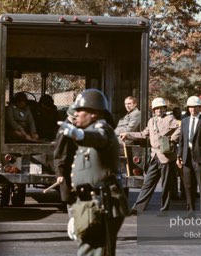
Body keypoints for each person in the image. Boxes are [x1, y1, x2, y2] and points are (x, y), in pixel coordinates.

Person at [60, 88, 129, 256]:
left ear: (94, 114)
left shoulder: (101, 129)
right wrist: (75, 213)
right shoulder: (85, 139)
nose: (76, 115)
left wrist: (79, 134)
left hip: (101, 205)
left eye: (80, 110)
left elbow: (98, 138)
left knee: (95, 252)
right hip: (89, 205)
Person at [120, 97, 180, 214]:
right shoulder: (151, 121)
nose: (158, 110)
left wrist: (171, 140)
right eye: (156, 108)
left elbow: (180, 129)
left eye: (160, 108)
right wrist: (128, 134)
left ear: (164, 108)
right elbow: (143, 134)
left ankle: (164, 210)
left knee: (166, 185)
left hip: (166, 157)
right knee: (147, 183)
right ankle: (138, 209)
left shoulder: (169, 118)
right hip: (154, 156)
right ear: (153, 110)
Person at [176, 96, 201, 218]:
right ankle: (191, 211)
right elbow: (181, 140)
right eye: (190, 107)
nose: (193, 109)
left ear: (199, 107)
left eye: (195, 107)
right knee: (188, 186)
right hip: (187, 157)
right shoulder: (185, 121)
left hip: (200, 158)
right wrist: (179, 156)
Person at [53, 105, 78, 216]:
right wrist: (60, 173)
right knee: (72, 203)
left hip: (72, 170)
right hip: (68, 171)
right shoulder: (65, 130)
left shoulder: (71, 127)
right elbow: (59, 153)